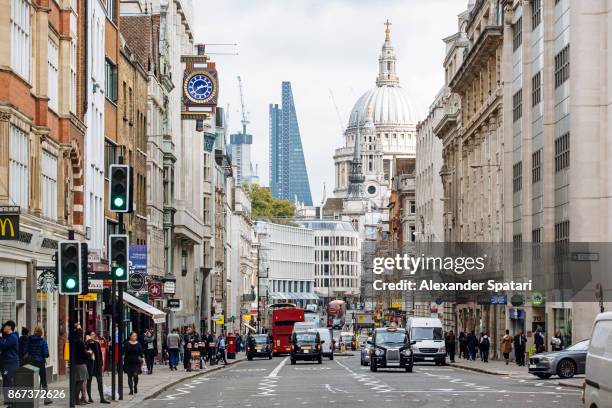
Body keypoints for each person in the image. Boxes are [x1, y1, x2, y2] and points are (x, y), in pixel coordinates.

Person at [23, 326, 53, 405]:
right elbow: (46, 354)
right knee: (43, 381)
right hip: (40, 363)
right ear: (41, 332)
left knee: (30, 381)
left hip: (31, 362)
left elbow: (25, 350)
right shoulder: (43, 341)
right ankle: (46, 399)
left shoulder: (29, 339)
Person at [0, 320, 21, 405]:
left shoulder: (12, 337)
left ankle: (10, 401)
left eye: (5, 326)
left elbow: (3, 345)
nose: (4, 327)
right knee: (6, 381)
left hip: (11, 363)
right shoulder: (8, 336)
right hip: (7, 362)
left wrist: (0, 337)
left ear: (9, 327)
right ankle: (8, 400)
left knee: (8, 381)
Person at [86, 331, 109, 404]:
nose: (94, 336)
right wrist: (88, 341)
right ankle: (89, 397)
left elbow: (99, 354)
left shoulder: (96, 343)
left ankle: (102, 398)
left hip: (97, 365)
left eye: (94, 334)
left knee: (100, 381)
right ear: (88, 336)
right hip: (90, 365)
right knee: (89, 381)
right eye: (92, 334)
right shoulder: (87, 343)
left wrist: (102, 364)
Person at [72, 327, 92, 405]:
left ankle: (75, 399)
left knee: (77, 382)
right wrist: (89, 353)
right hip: (80, 364)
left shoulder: (73, 341)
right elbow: (84, 353)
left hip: (75, 363)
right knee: (80, 382)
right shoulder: (80, 342)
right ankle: (76, 400)